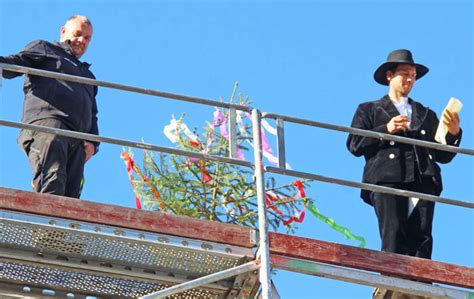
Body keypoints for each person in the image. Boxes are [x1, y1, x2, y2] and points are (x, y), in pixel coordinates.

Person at [346, 49, 462, 296]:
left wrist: (453, 133)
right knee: (393, 230)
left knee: (422, 233)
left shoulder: (425, 113)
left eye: (413, 75)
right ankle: (390, 280)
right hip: (387, 178)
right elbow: (354, 145)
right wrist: (386, 129)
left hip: (422, 179)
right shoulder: (369, 109)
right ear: (389, 76)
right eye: (404, 75)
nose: (410, 80)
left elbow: (443, 154)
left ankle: (422, 284)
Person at [0, 15, 99, 198]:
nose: (81, 41)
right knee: (53, 180)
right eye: (77, 34)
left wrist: (93, 142)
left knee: (72, 197)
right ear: (63, 31)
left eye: (87, 38)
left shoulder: (88, 76)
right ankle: (45, 227)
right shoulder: (46, 49)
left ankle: (60, 228)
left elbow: (92, 113)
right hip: (49, 126)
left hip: (77, 138)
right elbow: (16, 62)